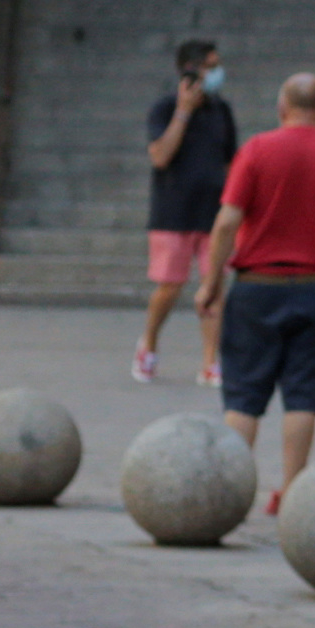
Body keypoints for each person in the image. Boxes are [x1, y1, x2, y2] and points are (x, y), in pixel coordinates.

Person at [205, 70, 315, 511]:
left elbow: (227, 222)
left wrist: (211, 283)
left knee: (244, 396)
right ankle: (293, 493)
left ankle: (231, 491)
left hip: (256, 287)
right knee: (303, 395)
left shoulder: (257, 151)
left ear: (282, 107)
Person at [138, 38, 237, 385]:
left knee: (214, 286)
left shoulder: (221, 111)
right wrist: (183, 110)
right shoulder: (164, 108)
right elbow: (160, 156)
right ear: (190, 70)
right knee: (170, 285)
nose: (217, 73)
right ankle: (148, 344)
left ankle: (211, 361)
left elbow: (231, 162)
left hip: (213, 214)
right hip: (173, 212)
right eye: (211, 66)